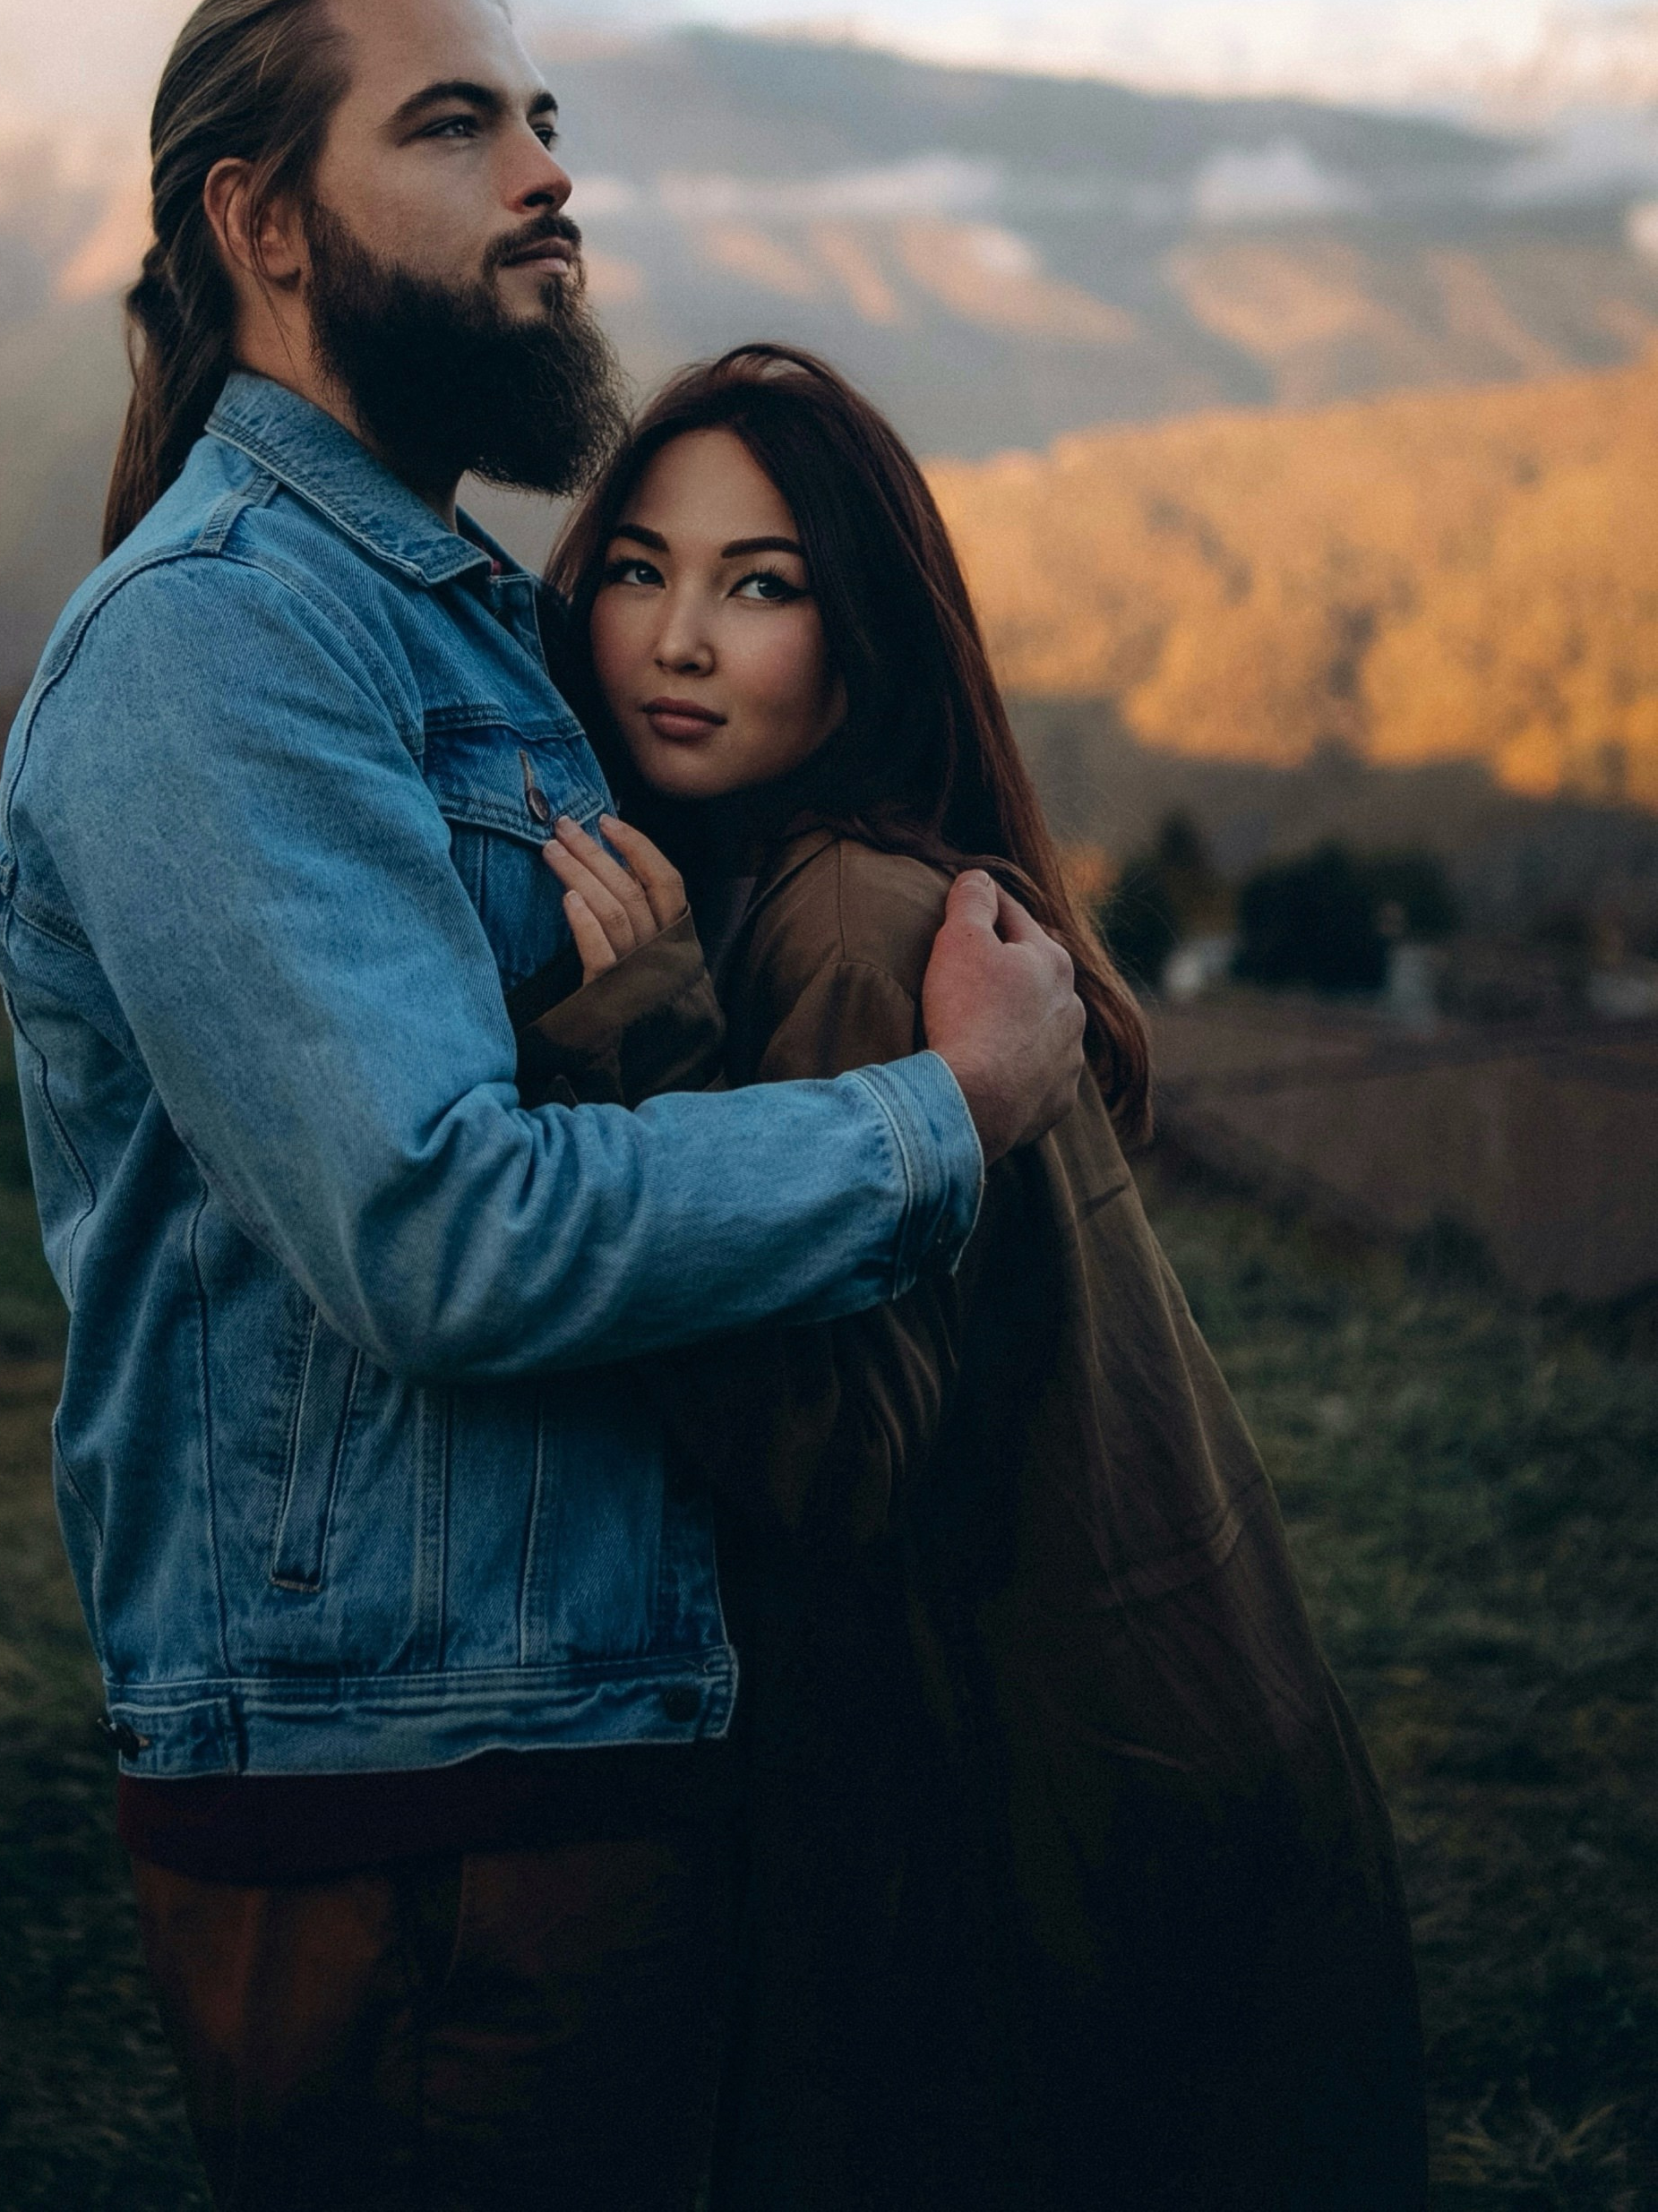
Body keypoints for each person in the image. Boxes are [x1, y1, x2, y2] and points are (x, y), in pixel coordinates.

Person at [0, 0, 1086, 2211]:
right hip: (405, 1814)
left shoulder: (452, 612)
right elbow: (436, 1229)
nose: (547, 174)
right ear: (262, 223)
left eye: (545, 119)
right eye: (456, 123)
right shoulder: (215, 642)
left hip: (567, 1758)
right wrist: (939, 1115)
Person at [524, 343, 1428, 2211]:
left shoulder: (850, 925)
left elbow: (828, 1454)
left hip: (1044, 1836)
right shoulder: (789, 879)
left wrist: (648, 1043)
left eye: (759, 584)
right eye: (638, 567)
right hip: (1112, 1779)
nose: (677, 637)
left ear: (859, 636)